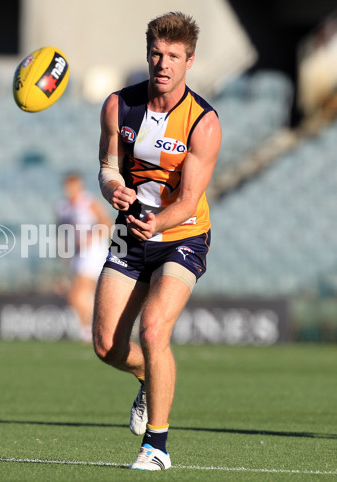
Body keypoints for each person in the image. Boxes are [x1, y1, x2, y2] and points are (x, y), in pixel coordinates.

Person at [93, 12, 221, 470]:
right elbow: (108, 166)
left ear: (190, 61)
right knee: (107, 347)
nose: (162, 64)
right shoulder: (119, 105)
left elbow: (189, 200)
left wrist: (158, 223)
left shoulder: (203, 122)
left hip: (181, 236)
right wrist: (113, 189)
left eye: (173, 56)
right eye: (156, 54)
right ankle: (150, 376)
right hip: (131, 233)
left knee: (153, 329)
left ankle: (157, 448)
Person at [55, 173, 111, 343]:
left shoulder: (89, 202)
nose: (70, 190)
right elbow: (62, 229)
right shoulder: (63, 206)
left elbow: (107, 223)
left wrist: (91, 238)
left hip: (93, 251)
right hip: (77, 253)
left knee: (78, 292)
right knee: (85, 293)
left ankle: (88, 329)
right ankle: (93, 328)